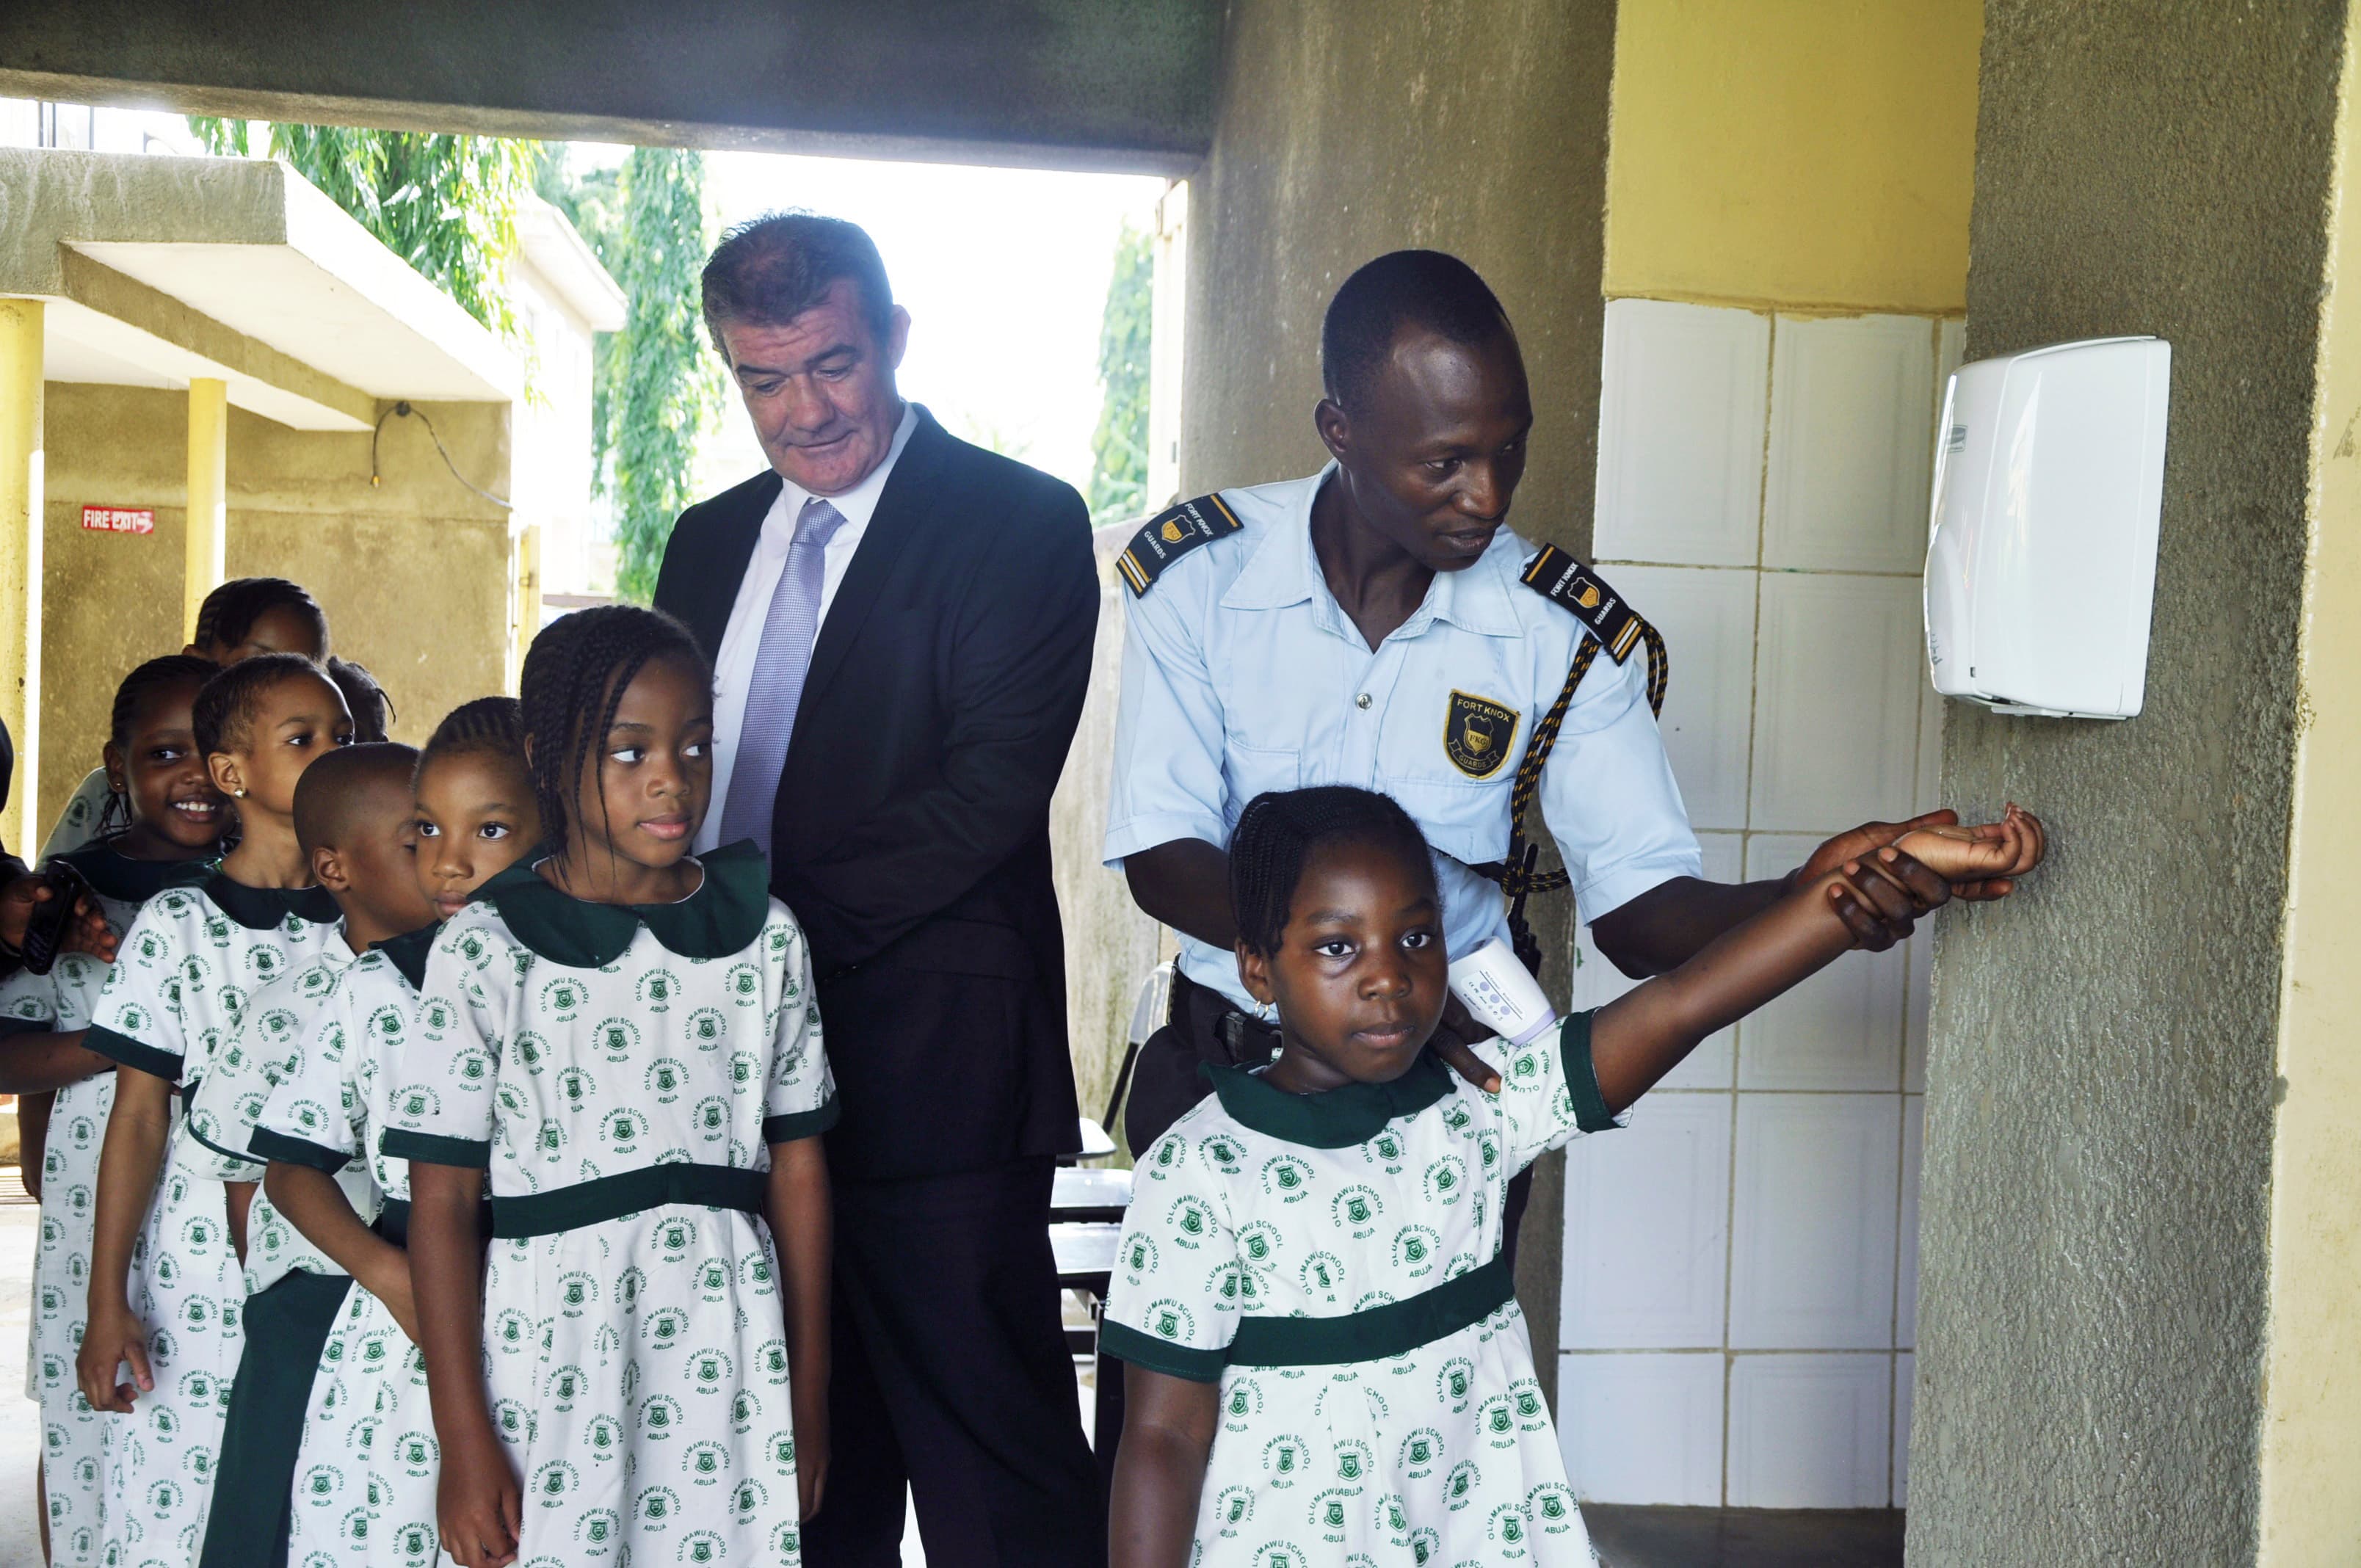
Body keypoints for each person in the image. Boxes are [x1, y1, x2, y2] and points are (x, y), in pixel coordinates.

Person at [1104, 248, 2043, 1160]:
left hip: (1442, 1109)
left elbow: (1642, 917)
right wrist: (1372, 986)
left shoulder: (1562, 632)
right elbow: (1164, 855)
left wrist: (1814, 894)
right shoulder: (1201, 579)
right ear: (1339, 429)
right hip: (1224, 1087)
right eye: (1446, 464)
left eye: (1509, 450)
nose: (1488, 496)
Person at [1105, 787, 2044, 1566]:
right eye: (1337, 946)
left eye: (1417, 938)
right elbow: (1163, 1436)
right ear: (1259, 970)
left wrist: (1862, 889)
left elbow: (1683, 1004)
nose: (1388, 977)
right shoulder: (1200, 1172)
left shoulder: (1475, 1105)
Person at [651, 212, 1102, 1565]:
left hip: (938, 1082)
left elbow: (984, 797)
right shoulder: (707, 537)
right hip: (729, 1084)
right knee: (794, 1462)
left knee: (992, 1468)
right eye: (762, 381)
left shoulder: (1017, 521)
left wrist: (746, 935)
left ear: (895, 339)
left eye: (833, 366)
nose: (803, 411)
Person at [388, 606, 835, 1568]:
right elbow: (443, 1206)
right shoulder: (487, 946)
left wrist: (809, 1395)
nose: (672, 777)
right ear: (551, 757)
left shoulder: (765, 935)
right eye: (630, 752)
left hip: (726, 1345)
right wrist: (465, 1441)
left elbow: (798, 1172)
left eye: (694, 745)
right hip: (549, 1349)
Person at [76, 653, 354, 1567]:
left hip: (333, 1238)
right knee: (185, 1478)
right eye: (304, 739)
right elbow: (139, 1120)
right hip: (196, 1262)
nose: (332, 755)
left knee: (309, 1480)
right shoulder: (179, 927)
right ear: (231, 774)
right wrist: (105, 1298)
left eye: (343, 738)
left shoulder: (365, 920)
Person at [253, 697, 540, 1566]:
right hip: (408, 1334)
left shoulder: (583, 979)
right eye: (424, 831)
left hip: (553, 1312)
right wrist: (389, 1275)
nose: (448, 864)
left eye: (488, 833)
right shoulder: (382, 987)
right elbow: (290, 1170)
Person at [0, 656, 227, 1567]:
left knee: (204, 1446)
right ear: (116, 763)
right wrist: (124, 1044)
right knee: (92, 1434)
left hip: (216, 1224)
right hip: (96, 1216)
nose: (194, 774)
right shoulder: (65, 892)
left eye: (211, 749)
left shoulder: (270, 891)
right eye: (165, 750)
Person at [185, 743, 434, 1567]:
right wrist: (274, 1303)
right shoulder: (284, 1006)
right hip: (313, 1303)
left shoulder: (471, 989)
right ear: (335, 866)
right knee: (279, 1516)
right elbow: (244, 1186)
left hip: (433, 1303)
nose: (445, 860)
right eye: (416, 839)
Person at [43, 576, 332, 860]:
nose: (286, 692)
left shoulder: (306, 794)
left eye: (305, 671)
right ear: (198, 663)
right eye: (254, 667)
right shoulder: (112, 792)